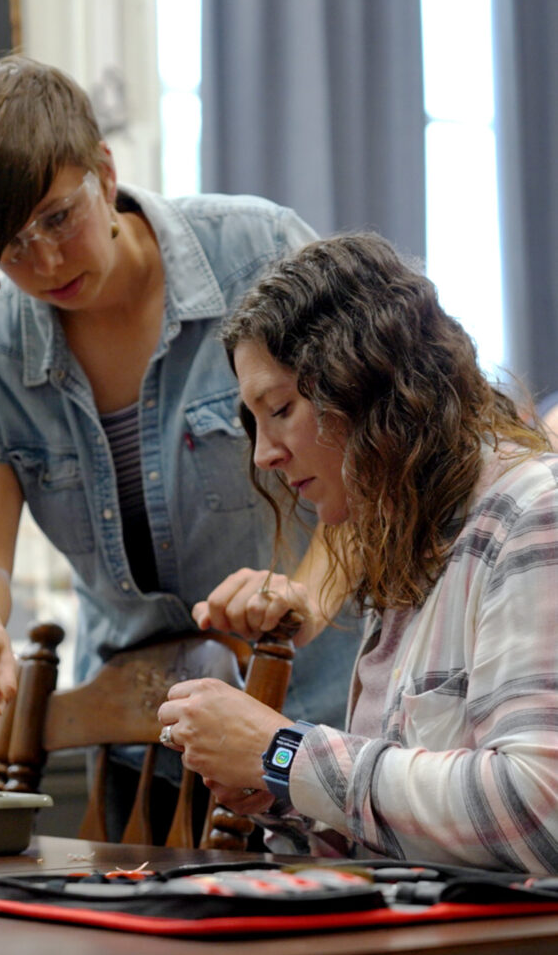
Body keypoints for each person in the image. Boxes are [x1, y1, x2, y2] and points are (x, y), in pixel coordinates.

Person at [0, 54, 360, 826]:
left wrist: (304, 598)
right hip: (142, 742)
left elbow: (372, 467)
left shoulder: (255, 253)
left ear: (103, 169)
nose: (45, 261)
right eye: (9, 248)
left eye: (58, 218)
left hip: (314, 725)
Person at [158, 232, 558, 874]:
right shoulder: (410, 537)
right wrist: (281, 792)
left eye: (281, 409)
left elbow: (540, 812)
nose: (263, 454)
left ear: (366, 384)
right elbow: (393, 827)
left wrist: (281, 753)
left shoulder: (533, 514)